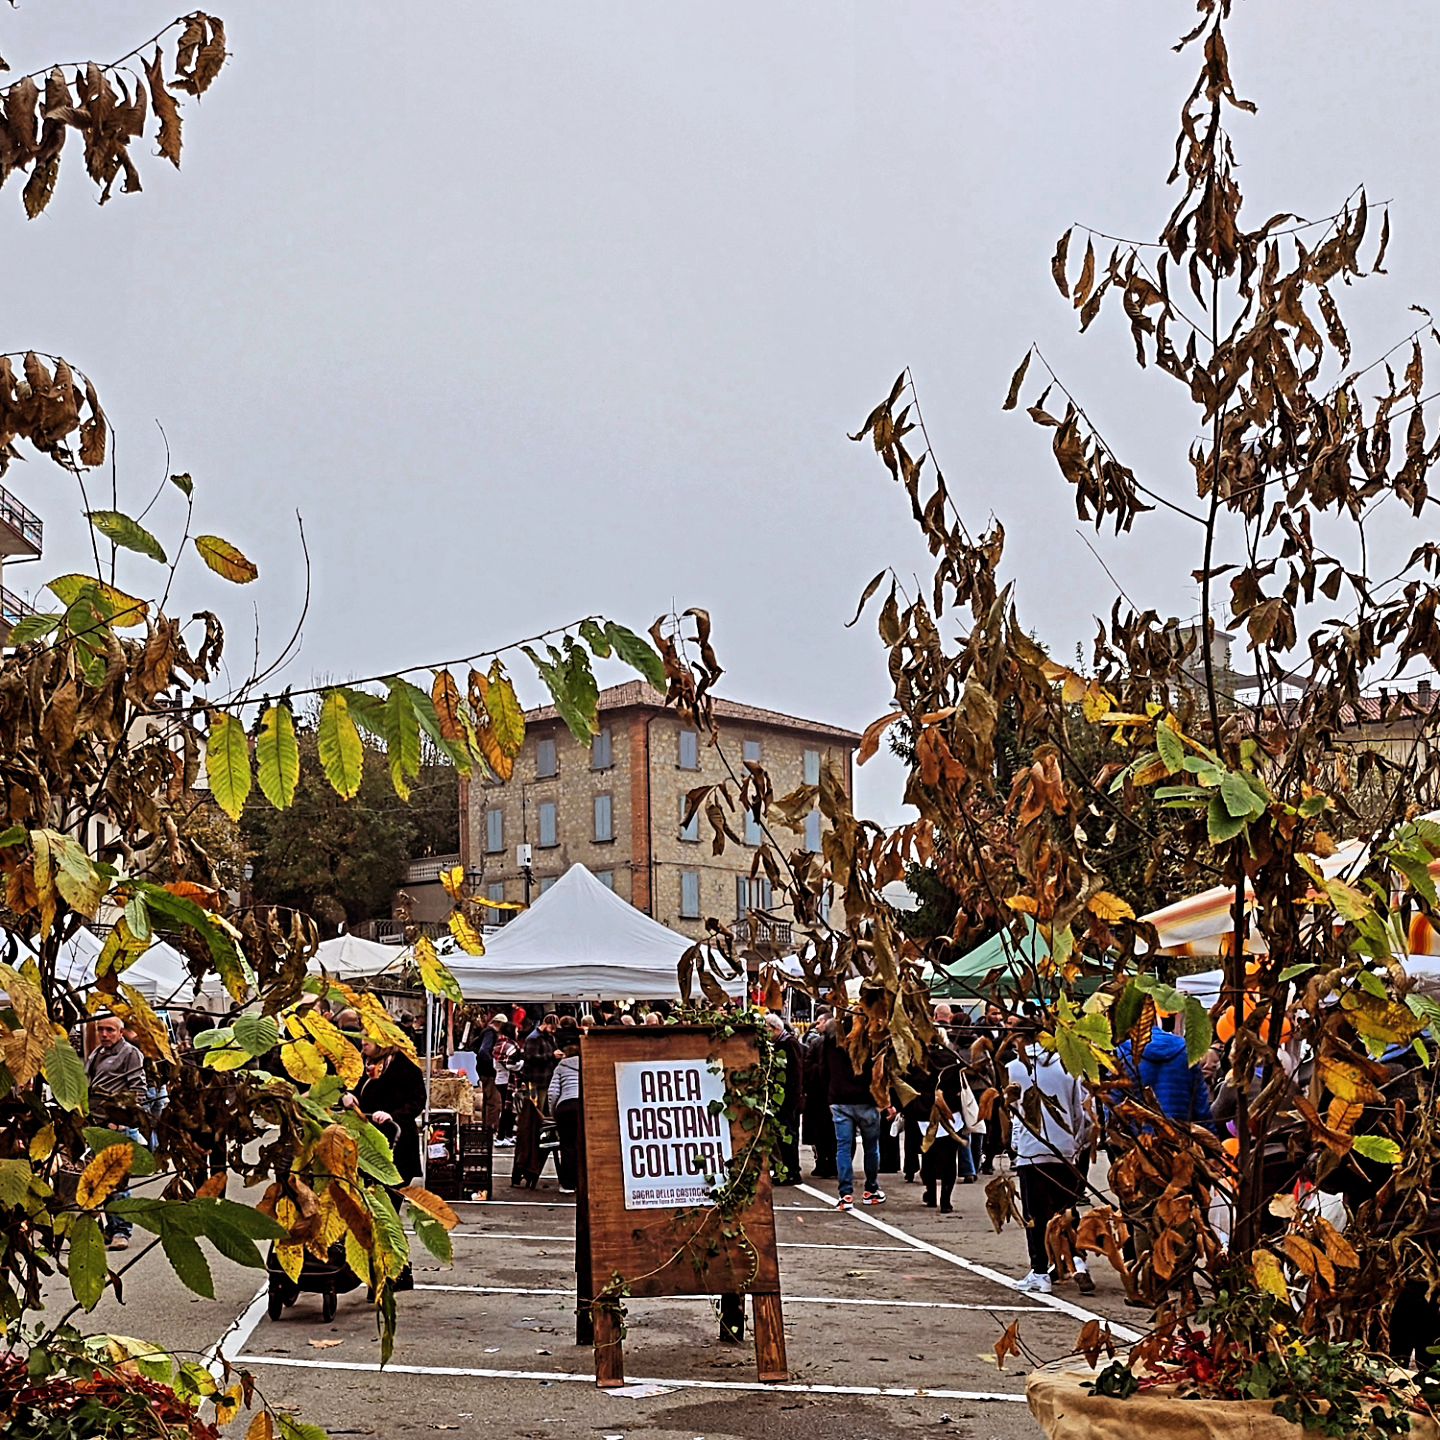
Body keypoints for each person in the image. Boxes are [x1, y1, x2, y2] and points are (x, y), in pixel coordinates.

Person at [1006, 1023, 1094, 1295]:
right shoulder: (1069, 1066)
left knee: (1036, 1215)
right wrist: (1077, 1142)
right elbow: (1083, 1112)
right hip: (1065, 1148)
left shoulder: (1015, 1069)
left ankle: (1040, 1271)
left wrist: (1015, 1144)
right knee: (1065, 1211)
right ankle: (1077, 1260)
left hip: (1033, 1151)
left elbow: (1014, 1110)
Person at [84, 1015, 146, 1251]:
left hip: (116, 1127)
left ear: (120, 1032)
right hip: (97, 1126)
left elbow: (138, 1089)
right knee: (101, 1181)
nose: (104, 1034)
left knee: (118, 1182)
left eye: (110, 1030)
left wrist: (121, 1123)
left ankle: (122, 1231)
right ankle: (110, 1229)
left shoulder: (130, 1053)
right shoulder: (97, 1053)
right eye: (101, 1029)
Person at [824, 1011, 885, 1211]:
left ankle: (846, 1194)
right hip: (866, 1098)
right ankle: (871, 1189)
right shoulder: (870, 1039)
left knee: (843, 1147)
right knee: (871, 1147)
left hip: (839, 1098)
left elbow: (824, 1068)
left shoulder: (832, 1037)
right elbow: (879, 1070)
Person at [350, 1039, 427, 1185]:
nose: (363, 1041)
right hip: (364, 1138)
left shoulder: (405, 1067)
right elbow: (349, 1086)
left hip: (396, 1140)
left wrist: (393, 1115)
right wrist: (348, 1096)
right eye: (363, 1035)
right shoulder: (359, 1063)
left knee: (391, 1191)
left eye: (369, 1037)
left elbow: (417, 1101)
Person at [763, 1012, 805, 1185]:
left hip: (788, 1099)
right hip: (784, 1098)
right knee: (783, 1137)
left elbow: (795, 1074)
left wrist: (790, 1100)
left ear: (775, 1028)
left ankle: (792, 1172)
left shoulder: (788, 1044)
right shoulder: (781, 1043)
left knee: (788, 1136)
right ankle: (786, 1170)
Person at [547, 1028, 582, 1194]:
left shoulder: (561, 1066)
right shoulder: (587, 1064)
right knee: (584, 1145)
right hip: (583, 1106)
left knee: (567, 1145)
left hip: (565, 1107)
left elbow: (553, 1092)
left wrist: (554, 1112)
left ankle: (568, 1183)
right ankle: (584, 1180)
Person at [802, 1015, 837, 1178]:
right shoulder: (821, 1044)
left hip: (820, 1095)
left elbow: (807, 1067)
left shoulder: (817, 1044)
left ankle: (823, 1162)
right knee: (834, 1134)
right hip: (832, 1095)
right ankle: (832, 1163)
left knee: (822, 1133)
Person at [475, 1010, 509, 1131]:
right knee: (494, 1102)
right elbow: (483, 1051)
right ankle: (491, 1128)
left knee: (488, 1100)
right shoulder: (490, 1033)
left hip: (483, 1070)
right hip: (489, 1072)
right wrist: (494, 1065)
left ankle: (486, 1127)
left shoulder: (486, 1032)